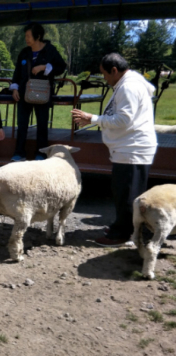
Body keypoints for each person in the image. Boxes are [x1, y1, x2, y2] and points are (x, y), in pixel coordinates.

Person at [71, 53, 157, 247]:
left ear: (115, 70)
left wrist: (92, 118)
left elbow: (124, 120)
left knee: (127, 194)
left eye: (105, 74)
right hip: (129, 148)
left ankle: (123, 234)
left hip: (132, 149)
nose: (105, 79)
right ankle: (124, 226)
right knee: (124, 192)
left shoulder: (128, 87)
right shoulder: (127, 84)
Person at [10, 23, 66, 161]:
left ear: (38, 36)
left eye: (28, 36)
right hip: (24, 93)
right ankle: (19, 153)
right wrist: (15, 88)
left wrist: (44, 67)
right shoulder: (24, 52)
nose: (26, 39)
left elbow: (61, 67)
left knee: (42, 125)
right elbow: (17, 72)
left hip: (43, 93)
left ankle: (41, 154)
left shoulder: (50, 50)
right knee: (22, 124)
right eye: (25, 36)